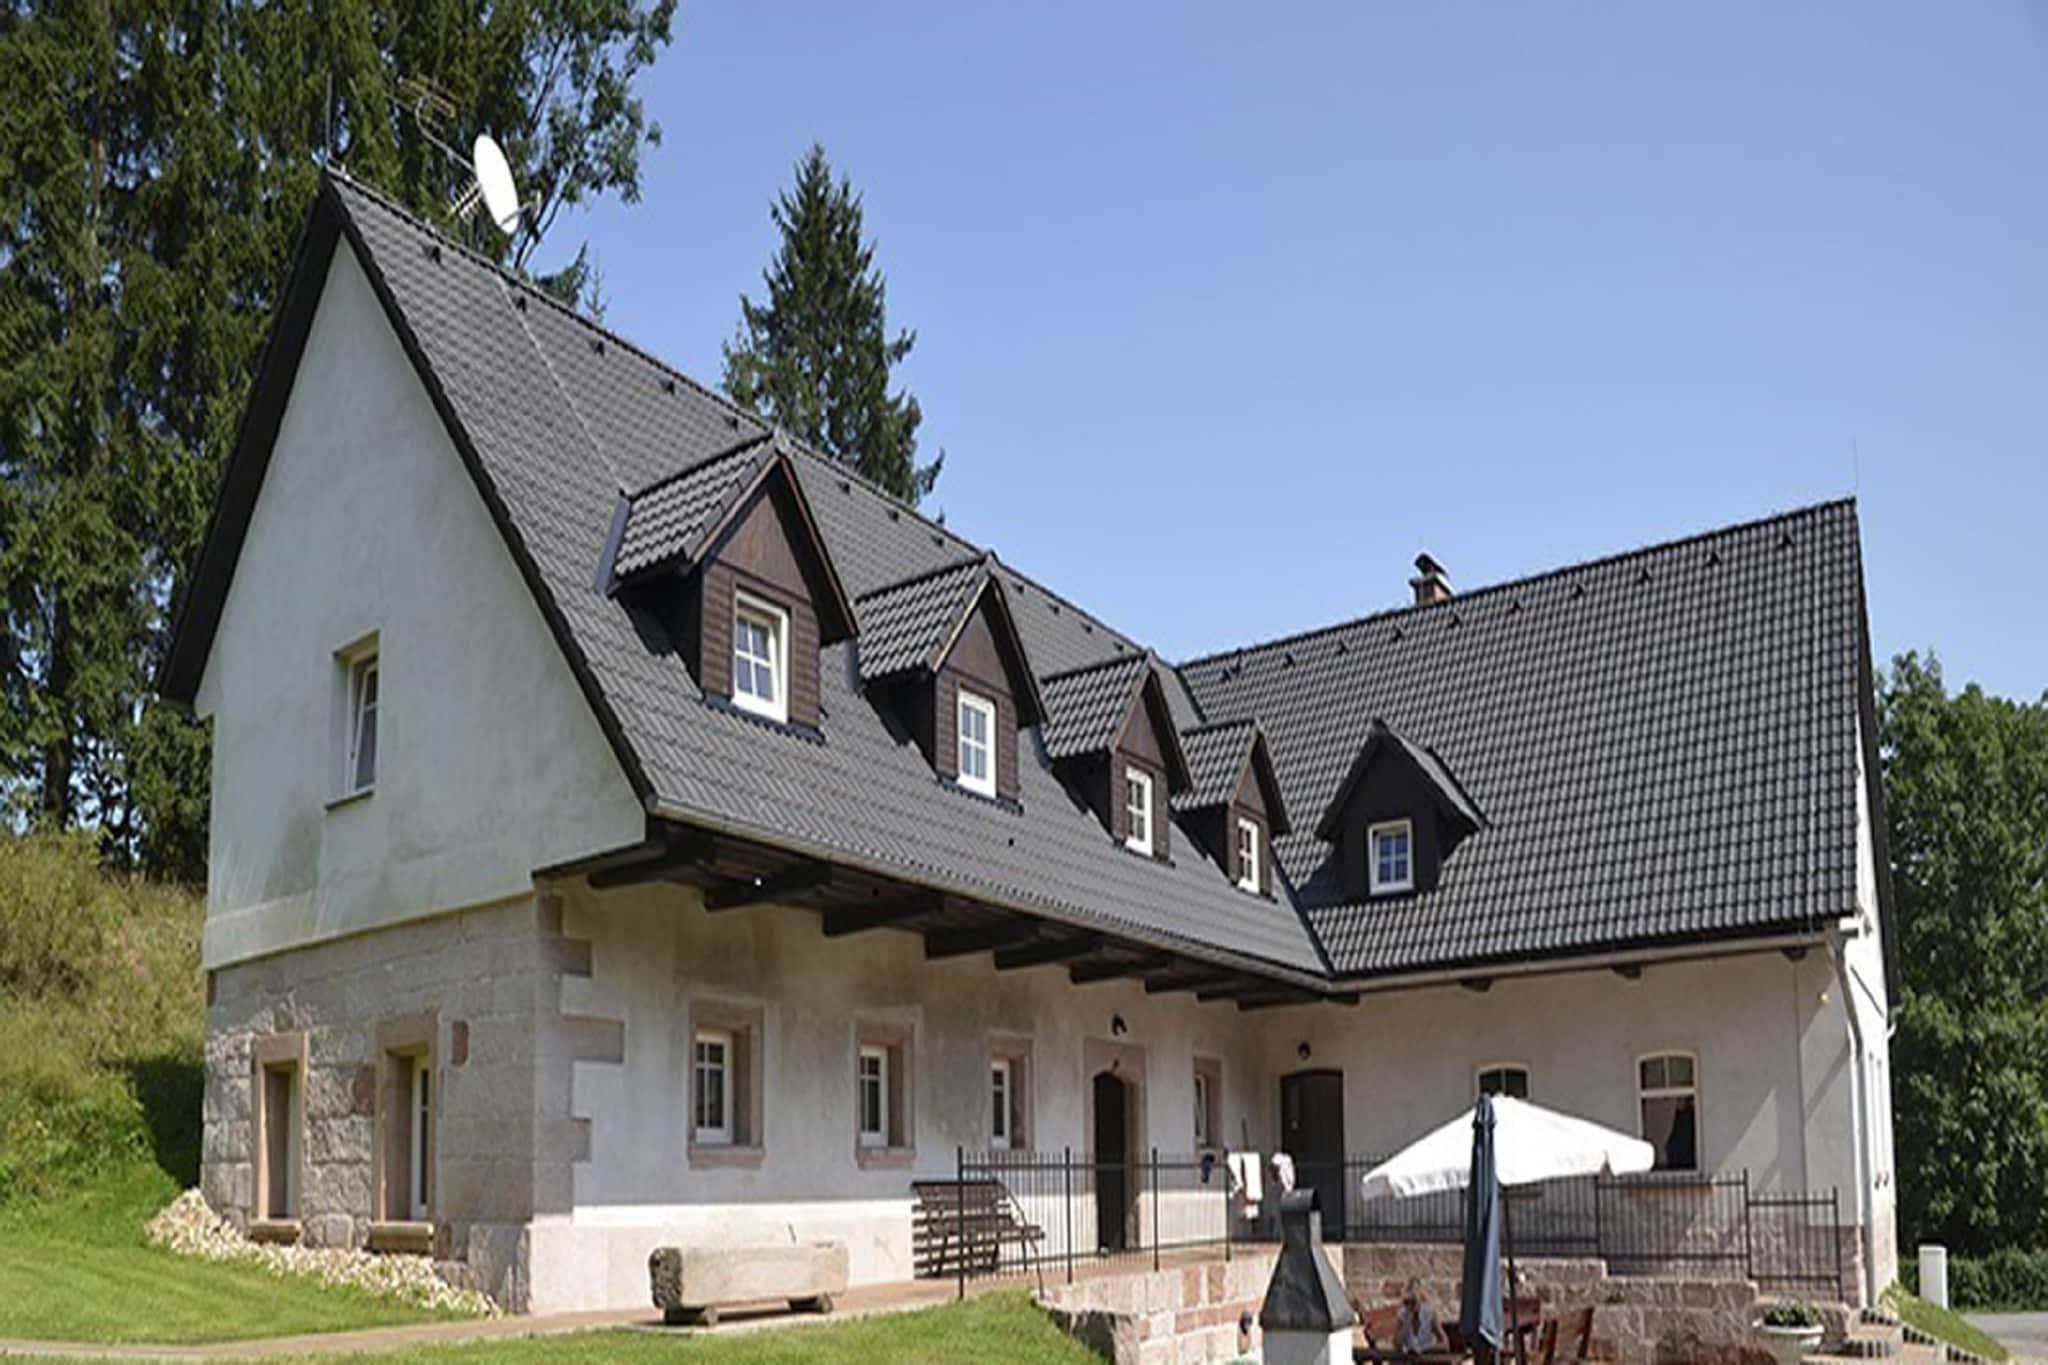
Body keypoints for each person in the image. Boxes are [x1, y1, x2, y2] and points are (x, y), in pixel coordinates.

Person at [1394, 1278, 1445, 1357]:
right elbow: (1397, 1344)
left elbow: (1445, 1344)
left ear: (1420, 1299)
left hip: (1427, 1356)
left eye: (1413, 1302)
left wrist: (1423, 1349)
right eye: (1406, 1303)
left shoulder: (1429, 1314)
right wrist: (1407, 1322)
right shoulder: (1402, 1315)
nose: (1410, 1306)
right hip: (1409, 1357)